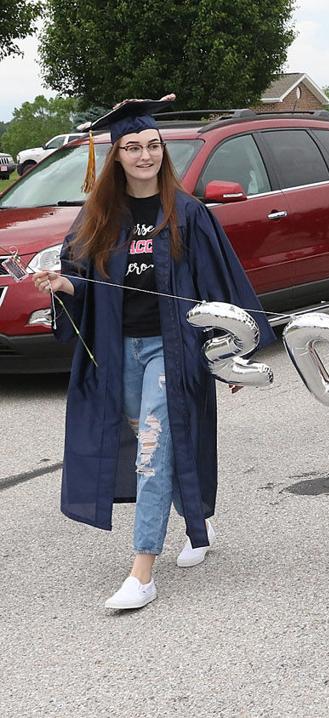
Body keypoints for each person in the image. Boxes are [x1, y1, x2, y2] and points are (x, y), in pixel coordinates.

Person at [31, 98, 271, 610]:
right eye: (133, 148)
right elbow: (83, 281)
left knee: (151, 452)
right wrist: (62, 285)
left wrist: (229, 351)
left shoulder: (187, 214)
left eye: (153, 146)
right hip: (119, 350)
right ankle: (197, 525)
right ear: (115, 157)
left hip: (174, 348)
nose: (145, 156)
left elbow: (220, 287)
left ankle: (142, 570)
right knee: (153, 442)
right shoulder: (99, 218)